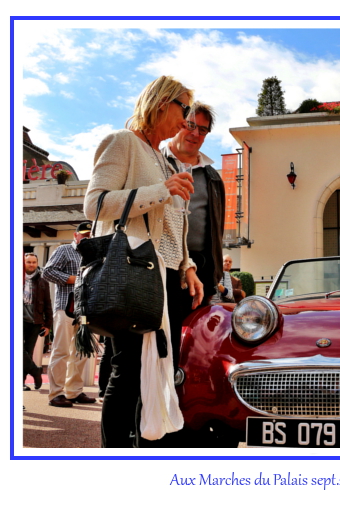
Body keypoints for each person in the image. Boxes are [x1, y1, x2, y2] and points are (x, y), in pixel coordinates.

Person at [84, 75, 202, 447]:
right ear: (162, 102)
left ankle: (143, 454)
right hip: (134, 272)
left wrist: (187, 266)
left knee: (158, 371)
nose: (187, 120)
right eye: (184, 108)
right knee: (130, 369)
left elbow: (171, 226)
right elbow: (95, 204)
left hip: (165, 278)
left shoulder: (163, 160)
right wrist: (160, 190)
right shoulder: (123, 142)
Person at [161, 101, 225, 372]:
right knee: (160, 346)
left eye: (203, 129)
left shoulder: (212, 176)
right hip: (162, 267)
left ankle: (183, 396)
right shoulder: (156, 162)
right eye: (190, 125)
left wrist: (215, 274)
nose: (195, 133)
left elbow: (216, 228)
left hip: (202, 271)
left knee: (195, 346)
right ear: (179, 124)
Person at [42, 223, 96, 407]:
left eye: (90, 235)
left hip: (87, 308)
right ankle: (56, 393)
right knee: (61, 351)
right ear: (76, 235)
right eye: (84, 235)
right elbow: (47, 272)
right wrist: (75, 279)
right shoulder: (64, 250)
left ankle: (74, 391)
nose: (88, 238)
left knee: (81, 352)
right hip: (66, 306)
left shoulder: (95, 254)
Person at [22, 253, 52, 391]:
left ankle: (21, 382)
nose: (31, 264)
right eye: (28, 262)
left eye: (34, 262)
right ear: (23, 263)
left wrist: (48, 324)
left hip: (35, 322)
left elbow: (48, 304)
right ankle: (35, 371)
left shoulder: (42, 281)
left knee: (28, 352)